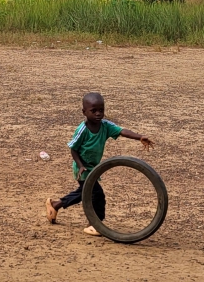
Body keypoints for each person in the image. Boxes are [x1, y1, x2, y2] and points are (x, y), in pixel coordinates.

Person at [45, 92, 154, 236]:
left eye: (101, 110)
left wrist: (139, 137)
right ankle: (95, 223)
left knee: (85, 193)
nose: (98, 114)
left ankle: (56, 205)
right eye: (93, 110)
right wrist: (81, 165)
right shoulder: (82, 130)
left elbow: (122, 131)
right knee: (96, 194)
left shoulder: (105, 126)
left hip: (93, 168)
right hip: (82, 168)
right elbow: (74, 150)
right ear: (84, 112)